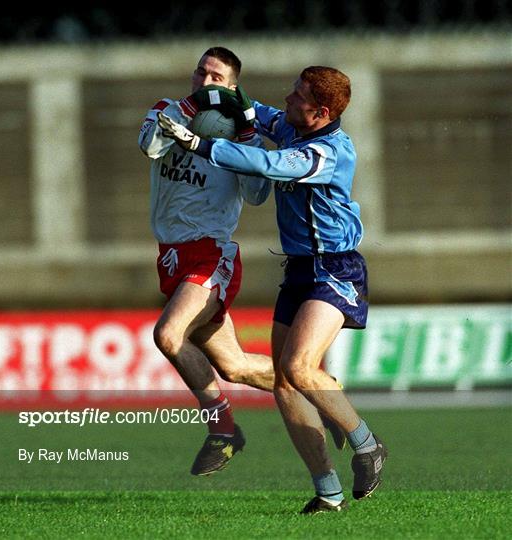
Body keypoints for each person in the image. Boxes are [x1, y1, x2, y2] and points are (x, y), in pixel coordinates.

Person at [158, 66, 388, 513]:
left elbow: (268, 163)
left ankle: (367, 444)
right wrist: (224, 91)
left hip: (335, 270)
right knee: (284, 383)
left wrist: (199, 144)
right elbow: (257, 114)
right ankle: (328, 491)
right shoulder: (292, 125)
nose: (287, 97)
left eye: (297, 95)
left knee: (300, 368)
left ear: (320, 112)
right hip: (299, 270)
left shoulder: (328, 151)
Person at [138, 47, 275, 476]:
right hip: (172, 256)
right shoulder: (166, 111)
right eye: (202, 73)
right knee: (234, 366)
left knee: (169, 334)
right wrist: (190, 108)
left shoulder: (237, 136)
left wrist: (248, 137)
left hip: (211, 253)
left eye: (217, 78)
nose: (206, 81)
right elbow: (150, 146)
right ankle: (319, 388)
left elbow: (256, 196)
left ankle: (223, 430)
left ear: (233, 88)